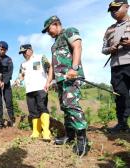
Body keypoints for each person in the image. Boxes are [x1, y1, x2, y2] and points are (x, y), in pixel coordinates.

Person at [42, 16, 89, 156]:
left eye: (48, 29)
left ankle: (82, 140)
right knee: (65, 107)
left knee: (71, 105)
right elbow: (52, 65)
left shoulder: (69, 31)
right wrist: (48, 81)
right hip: (61, 80)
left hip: (72, 77)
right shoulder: (54, 44)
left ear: (55, 24)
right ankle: (70, 136)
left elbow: (77, 46)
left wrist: (74, 68)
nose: (48, 33)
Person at [102, 0, 130, 133]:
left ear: (127, 7)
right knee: (120, 96)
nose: (113, 12)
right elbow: (103, 49)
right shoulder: (109, 29)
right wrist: (110, 49)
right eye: (111, 10)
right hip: (116, 67)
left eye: (116, 8)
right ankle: (122, 124)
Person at [14, 44, 51, 141]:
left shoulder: (41, 57)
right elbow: (21, 75)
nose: (24, 54)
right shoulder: (23, 64)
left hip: (41, 88)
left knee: (42, 109)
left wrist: (50, 82)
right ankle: (36, 132)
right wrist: (17, 81)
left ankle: (46, 132)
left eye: (25, 52)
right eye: (22, 53)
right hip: (29, 90)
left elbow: (49, 68)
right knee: (33, 111)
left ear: (30, 50)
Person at [0, 41, 15, 127]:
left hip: (6, 85)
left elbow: (10, 73)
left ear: (6, 50)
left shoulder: (9, 60)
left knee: (9, 102)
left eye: (4, 50)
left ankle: (11, 120)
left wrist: (4, 82)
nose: (2, 51)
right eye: (1, 49)